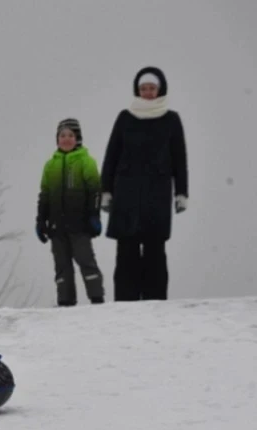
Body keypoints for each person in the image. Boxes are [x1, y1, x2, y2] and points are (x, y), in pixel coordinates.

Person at [100, 66, 189, 301]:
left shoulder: (171, 119)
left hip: (157, 193)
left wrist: (181, 192)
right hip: (126, 191)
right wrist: (106, 191)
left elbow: (180, 158)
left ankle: (155, 300)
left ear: (160, 90)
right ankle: (125, 300)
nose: (147, 92)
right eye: (143, 88)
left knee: (155, 249)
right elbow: (111, 155)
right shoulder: (125, 117)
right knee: (126, 248)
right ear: (137, 90)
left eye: (151, 88)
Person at [35, 117, 105, 306]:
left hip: (80, 225)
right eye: (62, 135)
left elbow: (95, 191)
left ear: (78, 139)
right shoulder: (51, 166)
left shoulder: (85, 161)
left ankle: (97, 298)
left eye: (70, 135)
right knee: (62, 266)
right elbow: (45, 195)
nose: (66, 139)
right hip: (57, 226)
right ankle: (65, 301)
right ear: (57, 139)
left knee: (86, 261)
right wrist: (41, 222)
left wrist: (93, 216)